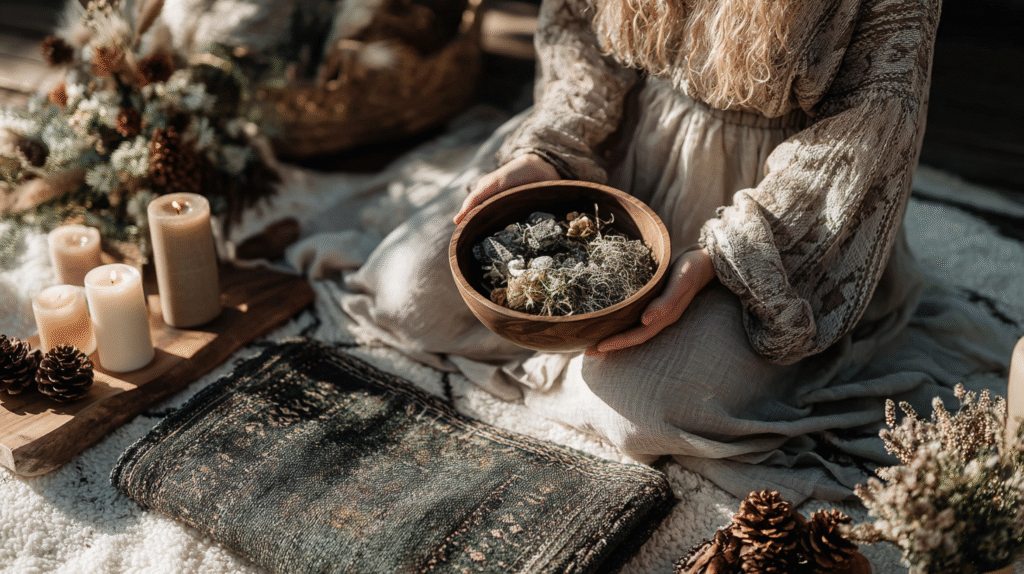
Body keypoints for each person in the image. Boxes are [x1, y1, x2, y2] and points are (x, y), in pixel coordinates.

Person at [294, 0, 1021, 502]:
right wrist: (552, 151)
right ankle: (559, 347)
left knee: (638, 406)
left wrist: (724, 256)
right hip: (615, 149)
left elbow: (870, 122)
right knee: (407, 298)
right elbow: (581, 30)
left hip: (775, 204)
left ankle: (619, 357)